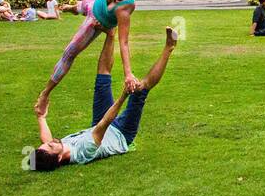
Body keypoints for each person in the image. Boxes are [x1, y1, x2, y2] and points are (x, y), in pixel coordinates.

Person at [32, 27, 177, 170]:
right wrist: (124, 95)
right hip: (120, 133)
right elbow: (106, 122)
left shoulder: (54, 150)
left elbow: (46, 140)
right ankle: (169, 47)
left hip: (97, 125)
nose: (51, 142)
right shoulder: (84, 150)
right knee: (140, 89)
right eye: (51, 145)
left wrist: (41, 117)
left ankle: (110, 33)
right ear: (59, 158)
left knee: (102, 78)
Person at [35, 0, 137, 114]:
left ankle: (45, 93)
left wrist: (128, 73)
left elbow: (124, 42)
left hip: (95, 21)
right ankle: (71, 8)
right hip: (93, 0)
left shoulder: (124, 9)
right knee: (80, 7)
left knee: (69, 53)